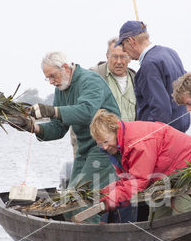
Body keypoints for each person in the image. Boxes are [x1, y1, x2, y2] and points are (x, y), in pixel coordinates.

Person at [16, 51, 120, 197]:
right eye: (48, 78)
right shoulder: (61, 89)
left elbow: (86, 111)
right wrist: (33, 127)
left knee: (79, 198)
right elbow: (58, 128)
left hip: (105, 148)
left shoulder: (90, 80)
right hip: (84, 150)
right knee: (70, 197)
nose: (51, 81)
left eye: (52, 76)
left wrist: (52, 111)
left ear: (65, 67)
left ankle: (92, 220)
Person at [89, 109, 191, 220]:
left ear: (114, 130)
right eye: (100, 144)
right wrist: (104, 193)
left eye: (106, 141)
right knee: (157, 220)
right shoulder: (116, 147)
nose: (104, 147)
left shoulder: (137, 144)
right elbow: (127, 180)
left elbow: (138, 182)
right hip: (165, 175)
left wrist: (111, 200)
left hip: (190, 165)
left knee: (182, 218)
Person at [115, 20, 190, 132]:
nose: (124, 50)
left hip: (164, 138)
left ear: (131, 41)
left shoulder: (149, 65)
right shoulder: (170, 53)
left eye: (123, 44)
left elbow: (160, 111)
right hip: (181, 133)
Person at [90, 37, 137, 122]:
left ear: (129, 58)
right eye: (115, 57)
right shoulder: (94, 76)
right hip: (104, 135)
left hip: (133, 134)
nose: (119, 62)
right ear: (107, 57)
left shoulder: (137, 79)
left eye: (123, 57)